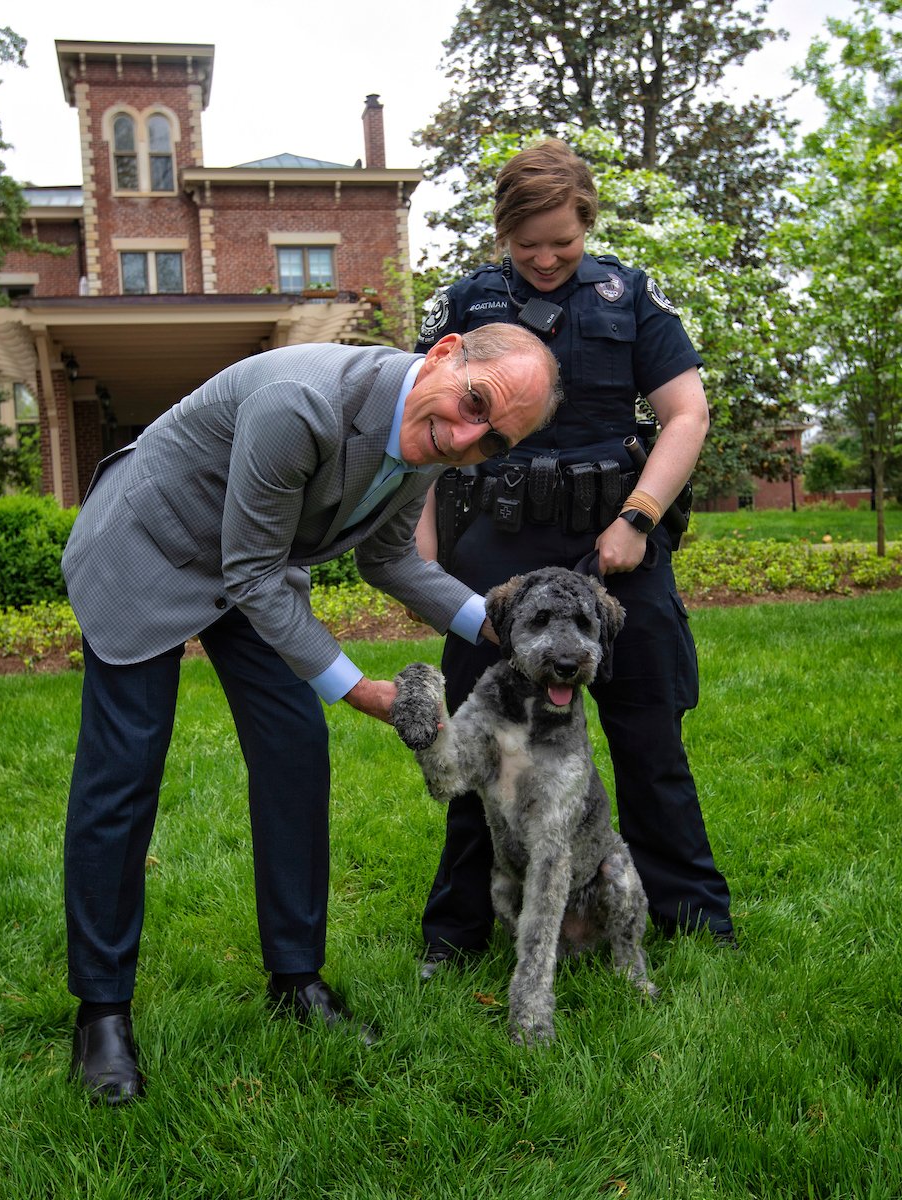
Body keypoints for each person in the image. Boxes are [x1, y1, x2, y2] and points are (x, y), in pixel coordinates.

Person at [62, 324, 558, 1105]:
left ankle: (296, 981)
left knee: (295, 752)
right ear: (445, 353)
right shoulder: (302, 402)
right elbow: (257, 573)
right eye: (473, 405)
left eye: (492, 441)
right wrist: (365, 691)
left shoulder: (431, 440)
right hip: (149, 549)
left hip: (246, 565)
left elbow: (389, 558)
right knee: (123, 775)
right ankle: (102, 1014)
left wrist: (505, 622)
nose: (468, 439)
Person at [413, 139, 735, 983]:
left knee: (649, 742)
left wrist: (639, 518)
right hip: (498, 550)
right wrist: (423, 562)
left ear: (587, 220)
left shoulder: (629, 296)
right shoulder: (464, 303)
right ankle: (456, 934)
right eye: (529, 244)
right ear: (502, 234)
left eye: (563, 239)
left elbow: (687, 412)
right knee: (487, 747)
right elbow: (424, 427)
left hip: (617, 550)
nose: (548, 258)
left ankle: (693, 918)